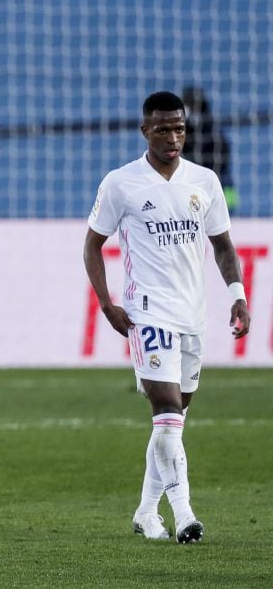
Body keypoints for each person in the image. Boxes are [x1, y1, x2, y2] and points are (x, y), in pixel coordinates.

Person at [83, 90, 250, 544]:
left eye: (178, 128)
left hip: (192, 317)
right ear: (145, 131)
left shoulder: (205, 182)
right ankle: (185, 515)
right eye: (162, 129)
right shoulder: (121, 183)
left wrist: (237, 294)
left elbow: (222, 245)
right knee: (167, 413)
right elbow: (92, 244)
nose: (173, 137)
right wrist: (107, 303)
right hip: (147, 313)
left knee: (172, 426)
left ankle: (144, 512)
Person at [181, 86, 238, 212]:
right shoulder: (183, 132)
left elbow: (223, 157)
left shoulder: (213, 132)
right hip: (196, 190)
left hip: (222, 187)